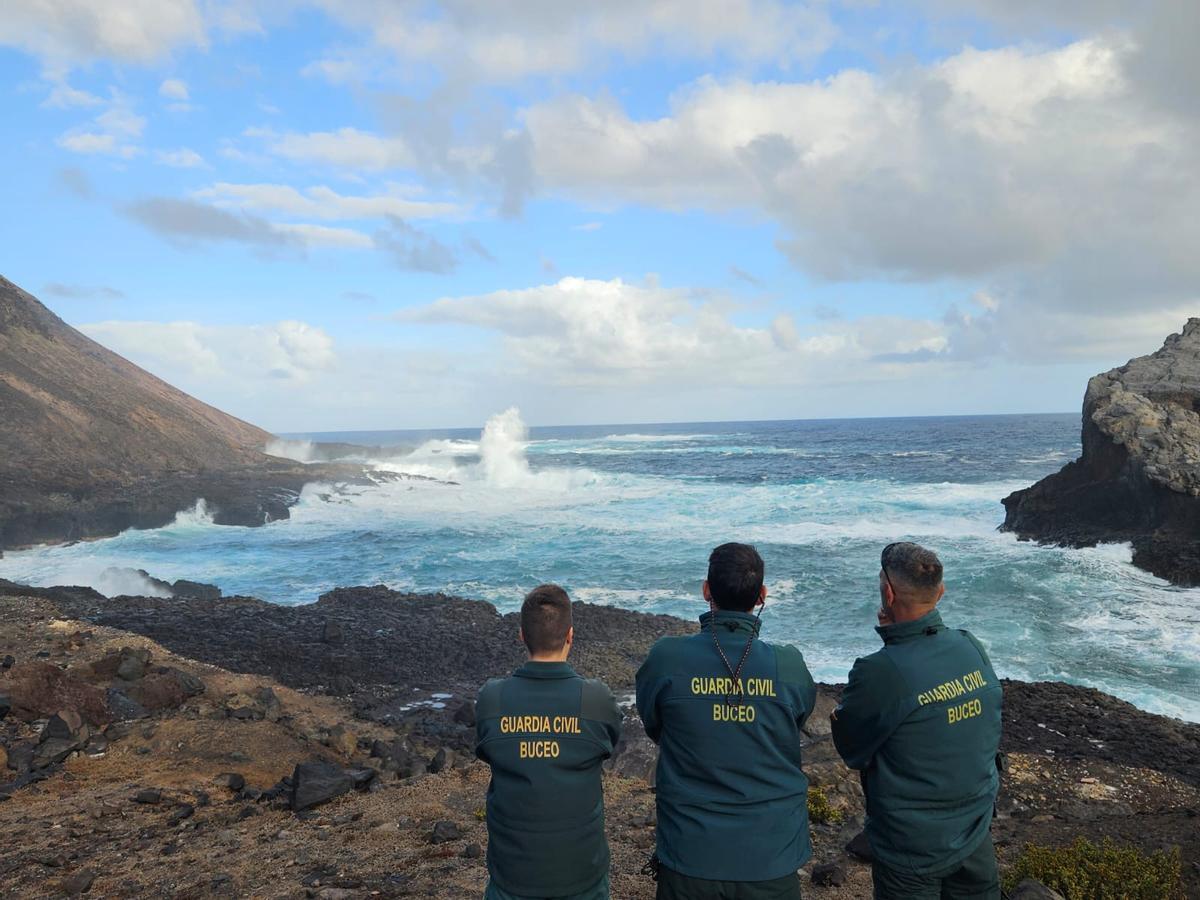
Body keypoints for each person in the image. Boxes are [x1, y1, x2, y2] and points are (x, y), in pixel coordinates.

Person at [636, 542, 818, 900]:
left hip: (691, 851)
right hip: (771, 853)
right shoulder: (789, 665)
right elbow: (795, 722)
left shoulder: (667, 658)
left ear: (706, 590)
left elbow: (654, 723)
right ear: (762, 595)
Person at [831, 542, 1003, 900]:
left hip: (911, 846)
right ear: (940, 592)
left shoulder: (878, 670)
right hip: (974, 832)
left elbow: (852, 748)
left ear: (888, 594)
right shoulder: (970, 646)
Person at [475, 584, 623, 900]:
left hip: (513, 877)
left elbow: (489, 750)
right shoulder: (595, 699)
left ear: (521, 636)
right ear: (570, 635)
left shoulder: (492, 699)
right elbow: (610, 740)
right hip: (581, 876)